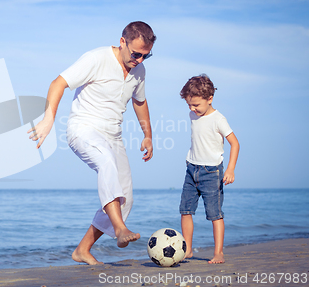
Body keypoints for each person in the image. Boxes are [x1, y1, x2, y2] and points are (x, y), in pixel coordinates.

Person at [28, 21, 156, 265]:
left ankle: (82, 250)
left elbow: (140, 101)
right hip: (84, 129)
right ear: (122, 42)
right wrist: (48, 119)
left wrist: (147, 134)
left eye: (145, 56)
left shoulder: (139, 71)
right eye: (136, 54)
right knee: (106, 163)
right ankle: (119, 228)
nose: (139, 60)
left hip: (113, 136)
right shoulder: (96, 58)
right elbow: (59, 83)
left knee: (125, 196)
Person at [179, 74, 240, 264]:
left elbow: (235, 144)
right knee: (185, 210)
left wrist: (230, 169)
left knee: (215, 214)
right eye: (189, 104)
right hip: (191, 169)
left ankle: (218, 253)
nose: (192, 108)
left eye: (196, 105)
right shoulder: (192, 115)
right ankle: (187, 249)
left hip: (211, 172)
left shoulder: (218, 119)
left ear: (210, 98)